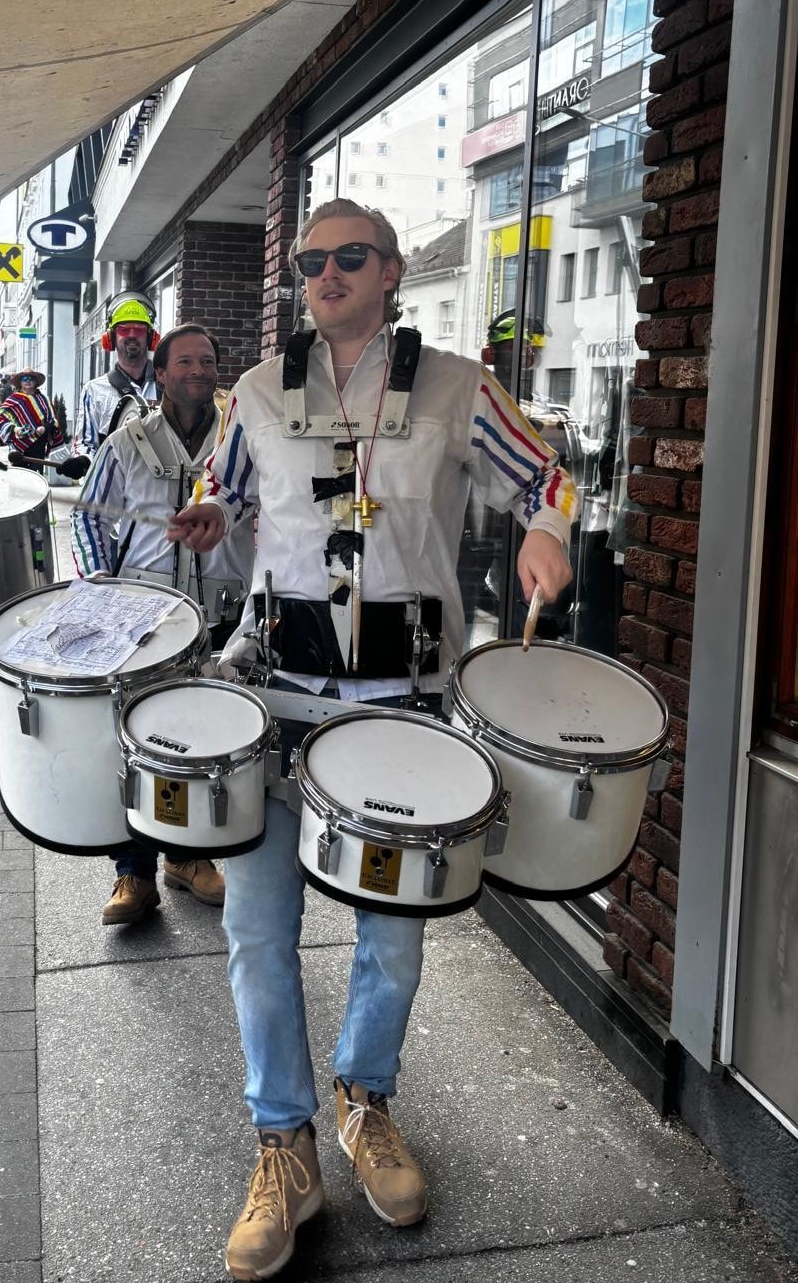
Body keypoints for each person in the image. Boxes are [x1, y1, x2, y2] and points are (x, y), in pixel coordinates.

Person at [167, 199, 576, 1280]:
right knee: (256, 930)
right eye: (312, 261)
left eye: (350, 257)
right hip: (277, 700)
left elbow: (552, 472)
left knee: (392, 934)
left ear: (392, 271)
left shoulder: (457, 386)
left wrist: (544, 528)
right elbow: (218, 481)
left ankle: (366, 1100)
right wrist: (210, 509)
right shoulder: (255, 390)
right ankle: (283, 1142)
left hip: (402, 707)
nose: (327, 273)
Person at [71, 324, 255, 925]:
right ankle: (132, 874)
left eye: (208, 360)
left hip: (223, 615)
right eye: (185, 362)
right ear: (161, 372)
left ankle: (189, 858)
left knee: (202, 742)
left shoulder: (243, 440)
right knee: (135, 743)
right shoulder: (126, 443)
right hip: (147, 620)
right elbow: (88, 519)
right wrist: (107, 593)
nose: (198, 370)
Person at [74, 292, 161, 459]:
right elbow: (84, 444)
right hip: (114, 482)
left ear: (151, 337)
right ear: (111, 337)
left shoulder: (168, 386)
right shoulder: (94, 390)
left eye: (139, 330)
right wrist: (84, 460)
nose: (132, 335)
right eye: (124, 329)